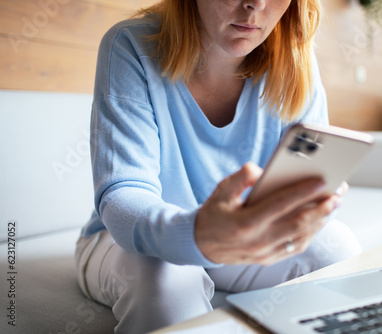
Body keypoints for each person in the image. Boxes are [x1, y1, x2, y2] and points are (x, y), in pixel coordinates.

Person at [75, 0, 362, 333]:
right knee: (167, 278)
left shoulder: (295, 60)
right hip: (130, 241)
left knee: (336, 246)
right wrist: (197, 235)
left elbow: (303, 193)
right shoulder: (131, 46)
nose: (256, 4)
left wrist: (312, 208)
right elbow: (123, 195)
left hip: (239, 240)